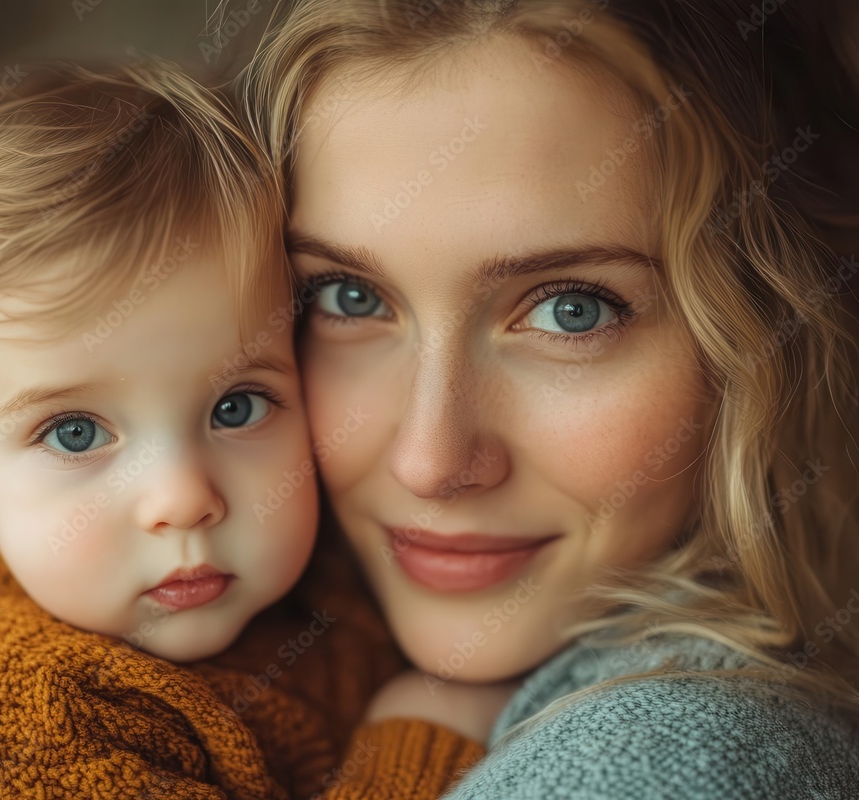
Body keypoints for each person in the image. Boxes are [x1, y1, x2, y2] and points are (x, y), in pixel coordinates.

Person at [243, 0, 859, 795]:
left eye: (573, 311)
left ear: (772, 330)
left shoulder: (660, 768)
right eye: (348, 297)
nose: (430, 463)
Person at [0, 58, 414, 799]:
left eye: (237, 407)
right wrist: (423, 738)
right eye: (76, 434)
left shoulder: (331, 568)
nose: (184, 500)